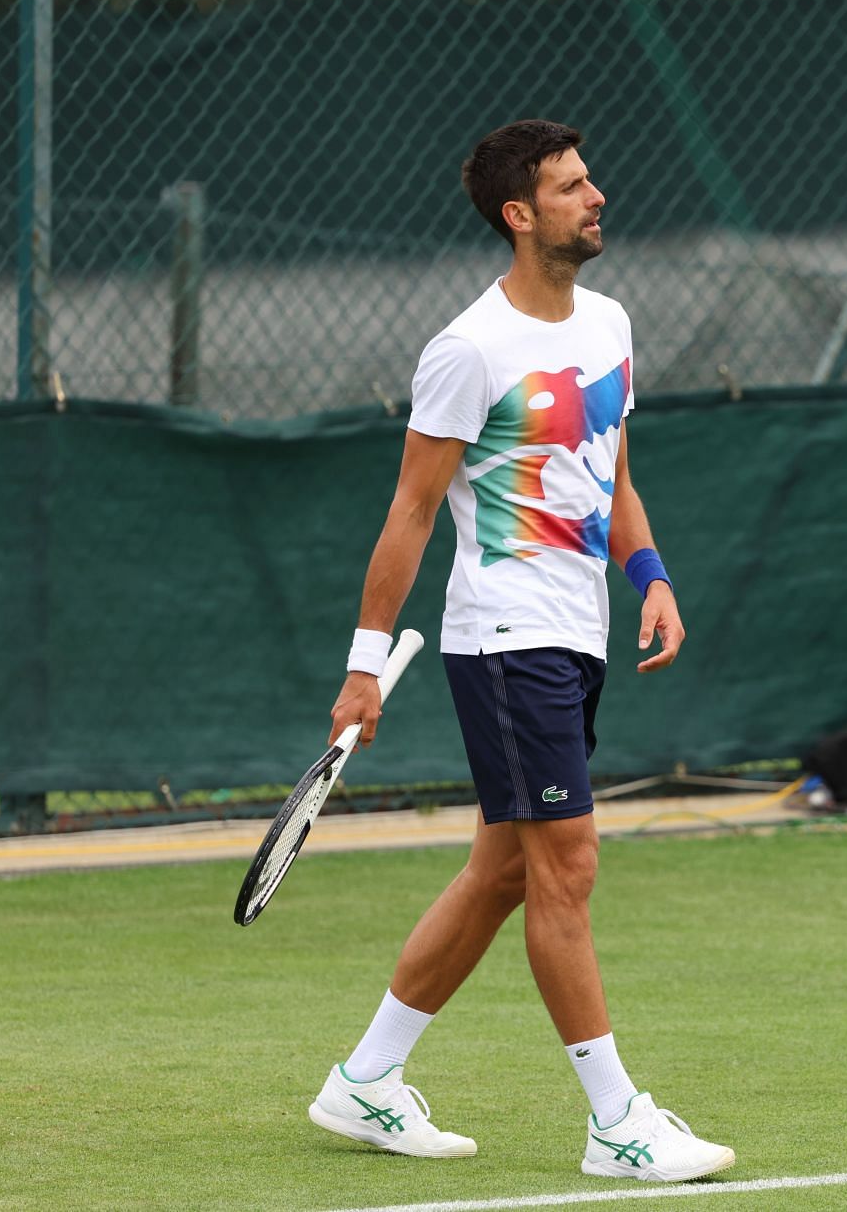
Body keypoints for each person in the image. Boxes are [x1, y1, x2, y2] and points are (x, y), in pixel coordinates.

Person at [303, 120, 734, 1182]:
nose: (596, 197)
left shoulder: (611, 324)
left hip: (576, 632)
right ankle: (616, 1121)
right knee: (568, 864)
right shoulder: (469, 350)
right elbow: (408, 513)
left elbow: (610, 476)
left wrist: (654, 577)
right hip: (504, 638)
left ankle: (365, 1080)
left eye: (590, 178)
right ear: (518, 213)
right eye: (570, 186)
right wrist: (363, 665)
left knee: (503, 870)